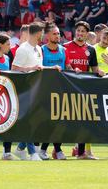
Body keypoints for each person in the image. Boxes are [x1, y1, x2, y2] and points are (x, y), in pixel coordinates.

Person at [64, 21, 102, 160]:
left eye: (83, 31)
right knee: (63, 120)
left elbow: (94, 69)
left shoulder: (91, 49)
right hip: (66, 88)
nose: (80, 33)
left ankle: (81, 153)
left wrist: (100, 72)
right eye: (78, 30)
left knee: (83, 120)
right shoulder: (65, 47)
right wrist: (72, 71)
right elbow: (63, 66)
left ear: (87, 34)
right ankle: (55, 149)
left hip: (83, 89)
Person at [11, 22, 45, 161]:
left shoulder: (38, 48)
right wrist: (30, 68)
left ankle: (20, 148)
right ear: (38, 33)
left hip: (36, 88)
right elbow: (14, 68)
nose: (42, 35)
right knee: (29, 121)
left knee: (35, 121)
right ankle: (33, 153)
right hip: (24, 89)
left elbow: (39, 67)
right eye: (42, 32)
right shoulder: (22, 49)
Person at [39, 23, 71, 160]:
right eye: (54, 33)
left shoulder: (63, 50)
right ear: (47, 36)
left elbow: (67, 66)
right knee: (47, 122)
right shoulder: (41, 50)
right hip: (44, 91)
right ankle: (51, 150)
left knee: (59, 123)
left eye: (58, 33)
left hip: (60, 90)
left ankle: (48, 150)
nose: (57, 36)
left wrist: (74, 71)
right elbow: (38, 68)